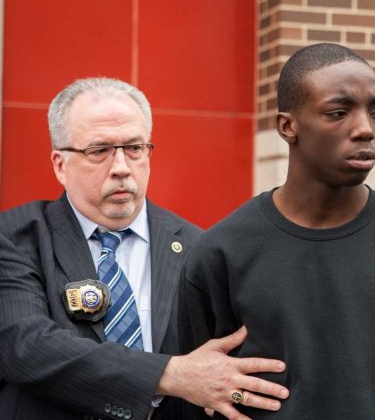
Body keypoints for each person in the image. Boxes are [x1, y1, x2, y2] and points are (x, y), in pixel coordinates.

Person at [178, 43, 375, 419]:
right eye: (338, 112)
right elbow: (190, 396)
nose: (365, 129)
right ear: (288, 126)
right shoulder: (220, 253)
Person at [0, 77, 289, 420]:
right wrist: (172, 375)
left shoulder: (201, 248)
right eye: (99, 151)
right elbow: (26, 348)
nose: (121, 168)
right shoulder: (16, 238)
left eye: (134, 148)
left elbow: (228, 362)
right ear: (60, 165)